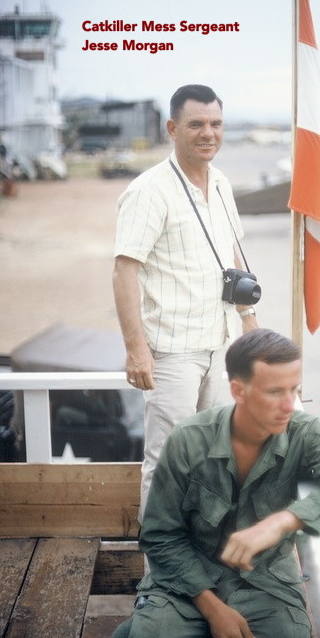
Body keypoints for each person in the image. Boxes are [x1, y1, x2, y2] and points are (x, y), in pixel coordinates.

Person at [112, 328, 320, 638]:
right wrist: (212, 608)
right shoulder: (188, 440)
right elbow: (160, 536)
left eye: (294, 389)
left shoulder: (304, 433)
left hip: (266, 584)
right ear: (239, 391)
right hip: (185, 585)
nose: (290, 405)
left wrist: (283, 521)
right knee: (149, 634)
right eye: (275, 392)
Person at [113, 84, 258, 519]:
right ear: (172, 129)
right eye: (196, 124)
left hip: (223, 344)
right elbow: (124, 271)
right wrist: (136, 348)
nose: (207, 133)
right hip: (174, 351)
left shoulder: (223, 184)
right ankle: (160, 574)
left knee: (217, 458)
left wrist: (250, 323)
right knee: (167, 463)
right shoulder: (149, 190)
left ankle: (205, 556)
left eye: (215, 124)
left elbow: (232, 256)